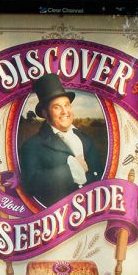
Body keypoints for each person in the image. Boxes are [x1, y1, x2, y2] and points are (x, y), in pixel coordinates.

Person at [19, 73, 103, 206]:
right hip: (57, 215)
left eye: (67, 105)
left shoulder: (86, 140)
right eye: (57, 107)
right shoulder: (31, 146)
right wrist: (71, 170)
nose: (65, 112)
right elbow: (29, 185)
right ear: (45, 113)